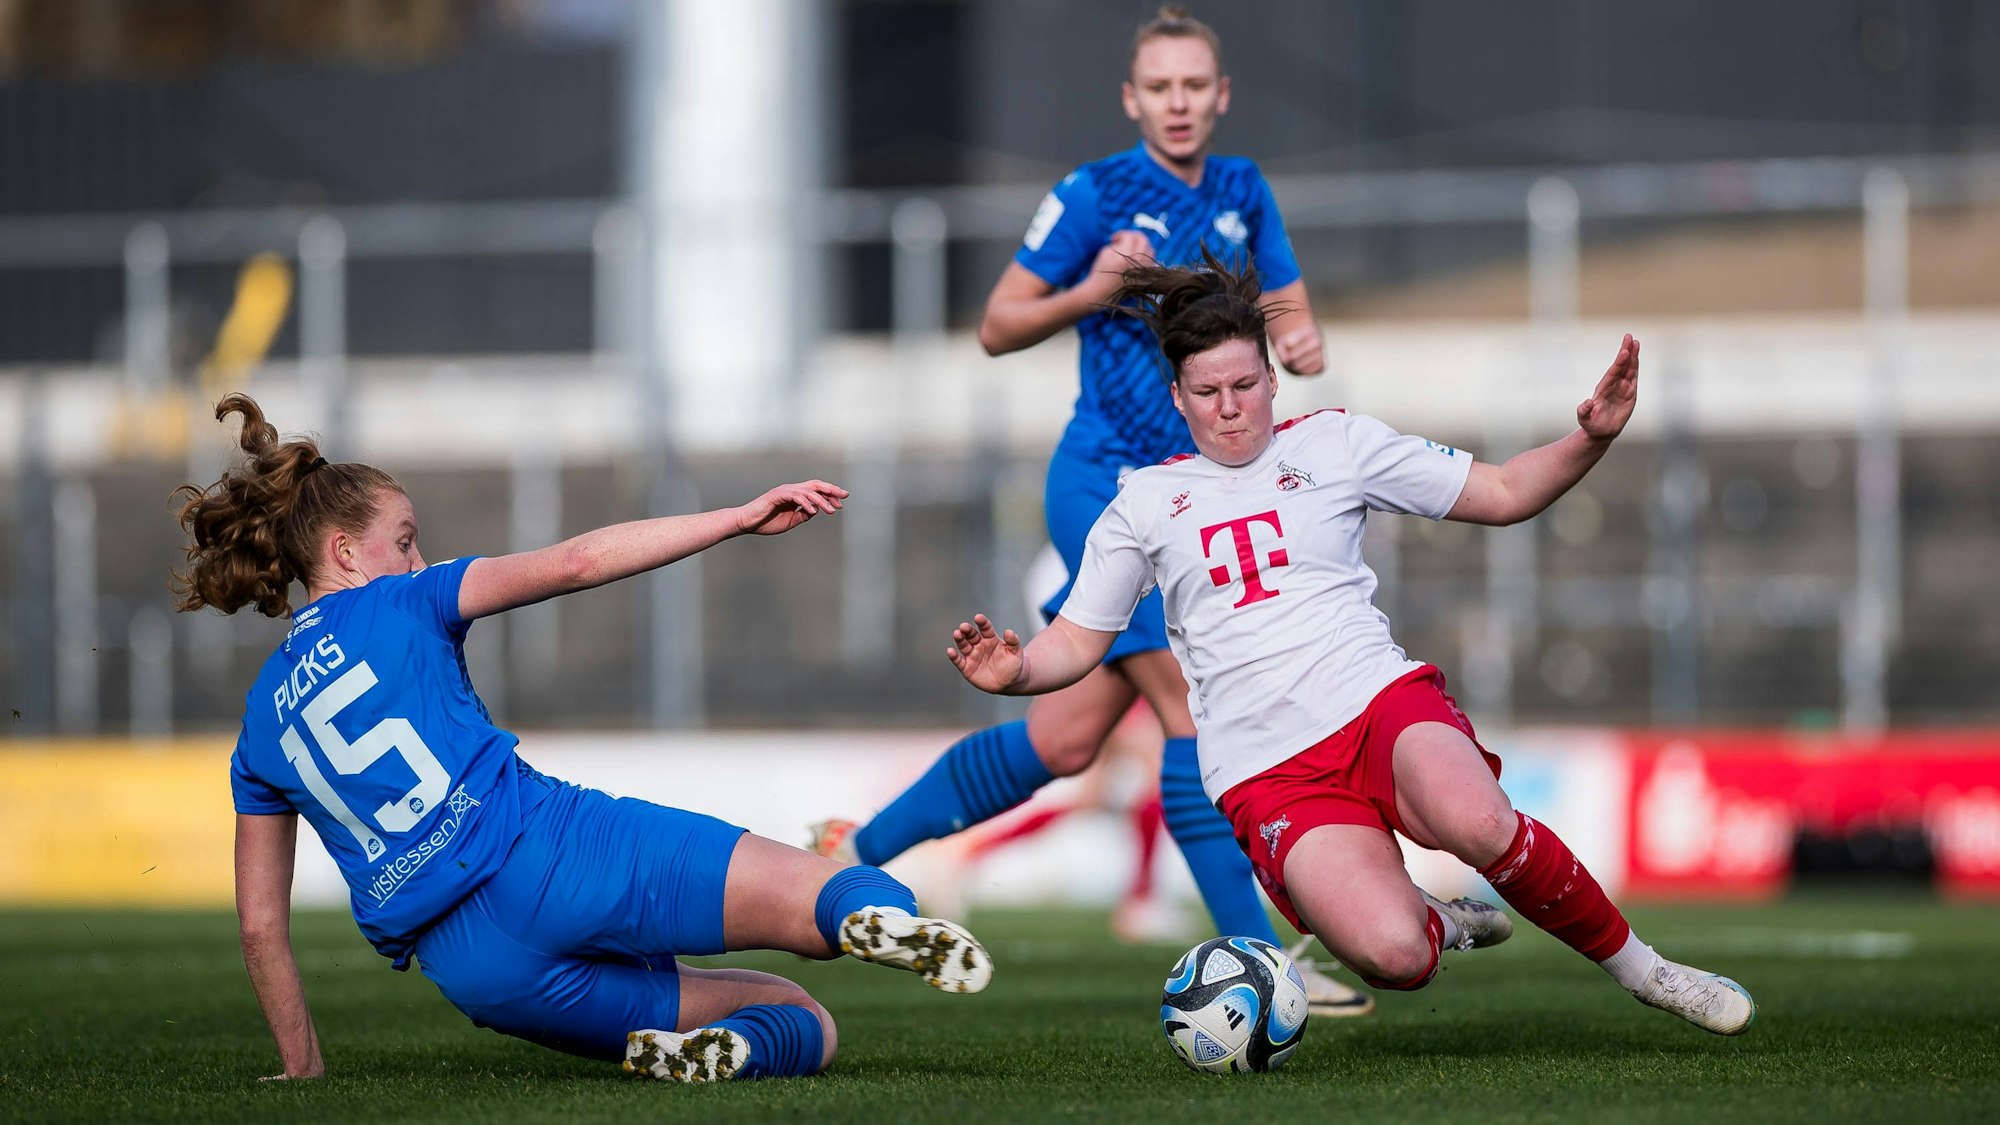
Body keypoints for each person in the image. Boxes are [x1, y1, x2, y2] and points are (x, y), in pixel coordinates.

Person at [942, 256, 1756, 1035]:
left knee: (1479, 821)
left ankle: (1650, 972)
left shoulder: (1336, 444)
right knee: (1394, 955)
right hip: (1268, 770)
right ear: (1177, 398)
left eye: (1244, 385)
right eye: (1208, 392)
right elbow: (1076, 640)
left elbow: (1506, 491)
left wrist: (1591, 440)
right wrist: (1016, 671)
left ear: (1272, 377)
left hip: (1376, 705)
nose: (1230, 407)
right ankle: (1442, 922)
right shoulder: (1143, 503)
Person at [809, 4, 1374, 1017]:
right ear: (1130, 98)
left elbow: (1284, 300)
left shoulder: (1242, 187)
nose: (1177, 103)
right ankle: (1259, 957)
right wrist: (1091, 289)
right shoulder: (1093, 193)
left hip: (1198, 496)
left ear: (1220, 95)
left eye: (1193, 85)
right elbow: (996, 324)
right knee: (1191, 711)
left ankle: (854, 851)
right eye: (1159, 87)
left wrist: (1299, 340)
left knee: (1066, 741)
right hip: (1105, 489)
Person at [173, 394, 994, 1085]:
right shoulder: (407, 600)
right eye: (406, 537)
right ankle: (875, 915)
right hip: (553, 850)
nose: (419, 557)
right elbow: (576, 563)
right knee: (819, 914)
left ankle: (729, 1050)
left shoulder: (259, 726)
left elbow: (260, 926)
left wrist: (303, 1067)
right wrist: (736, 518)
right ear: (346, 551)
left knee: (783, 1013)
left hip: (477, 968)